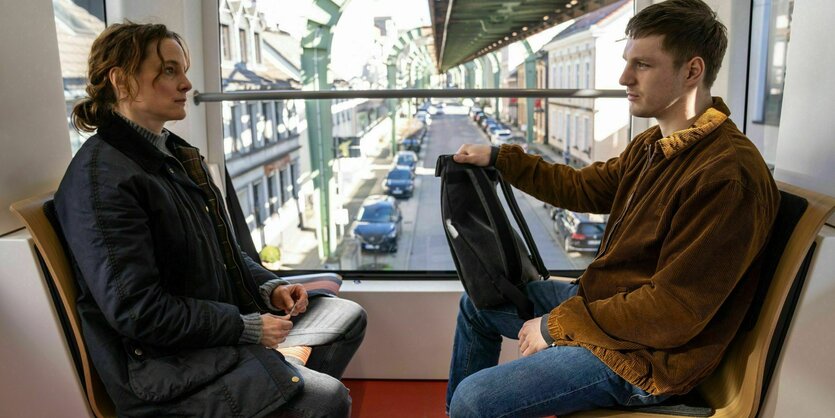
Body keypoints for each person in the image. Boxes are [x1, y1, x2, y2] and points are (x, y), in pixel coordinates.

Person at [446, 0, 780, 416]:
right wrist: (501, 157)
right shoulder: (651, 146)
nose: (624, 78)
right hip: (607, 309)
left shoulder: (727, 176)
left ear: (692, 71)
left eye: (642, 65)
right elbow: (584, 188)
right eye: (628, 62)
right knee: (479, 303)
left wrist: (554, 326)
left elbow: (673, 311)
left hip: (646, 358)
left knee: (474, 400)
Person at [55, 22, 366, 417]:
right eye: (169, 70)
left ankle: (273, 393)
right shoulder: (103, 181)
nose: (186, 83)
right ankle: (279, 394)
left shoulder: (168, 155)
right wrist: (245, 327)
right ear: (122, 81)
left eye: (182, 69)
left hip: (208, 336)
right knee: (327, 401)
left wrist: (269, 288)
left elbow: (222, 251)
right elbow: (140, 312)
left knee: (347, 317)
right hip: (159, 369)